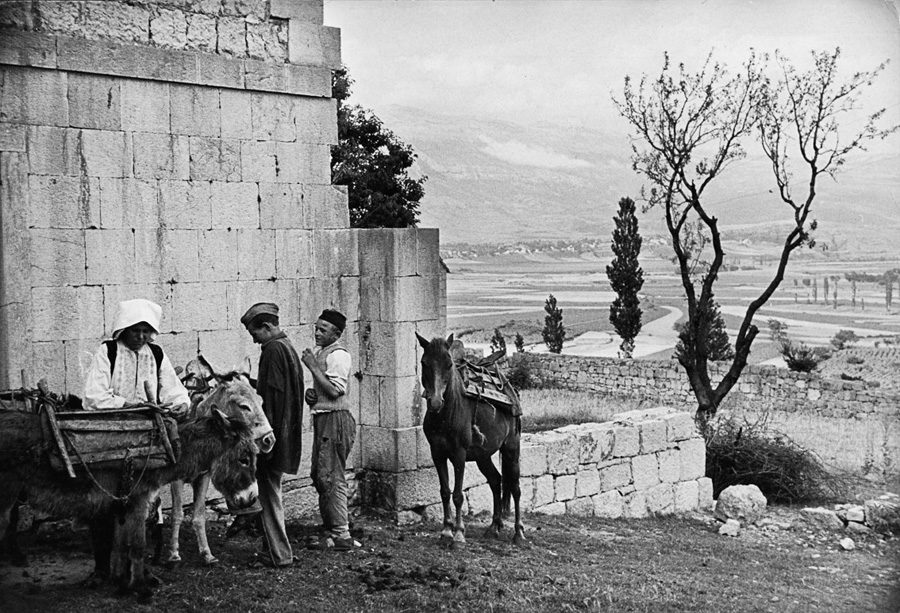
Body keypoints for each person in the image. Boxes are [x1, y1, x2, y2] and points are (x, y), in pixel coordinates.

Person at [81, 298, 190, 582]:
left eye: (146, 331)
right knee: (107, 502)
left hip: (147, 439)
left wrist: (179, 403)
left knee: (145, 502)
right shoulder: (108, 352)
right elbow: (93, 397)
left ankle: (140, 567)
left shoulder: (155, 354)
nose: (140, 337)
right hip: (110, 437)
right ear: (123, 330)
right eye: (135, 331)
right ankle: (102, 568)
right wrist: (128, 404)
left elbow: (173, 391)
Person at [241, 302, 304, 568]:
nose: (255, 341)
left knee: (269, 494)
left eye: (255, 334)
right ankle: (274, 549)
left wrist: (265, 441)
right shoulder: (286, 346)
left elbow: (273, 399)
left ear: (267, 327)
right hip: (284, 431)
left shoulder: (273, 350)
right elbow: (274, 389)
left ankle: (280, 555)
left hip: (273, 436)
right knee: (270, 492)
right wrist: (249, 381)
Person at [301, 309, 359, 551]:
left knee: (331, 475)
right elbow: (326, 392)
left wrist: (313, 367)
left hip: (336, 421)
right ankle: (331, 528)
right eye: (316, 327)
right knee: (320, 474)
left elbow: (336, 391)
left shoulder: (338, 355)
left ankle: (341, 534)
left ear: (336, 333)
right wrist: (312, 396)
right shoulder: (323, 353)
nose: (317, 332)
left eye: (323, 329)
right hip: (325, 419)